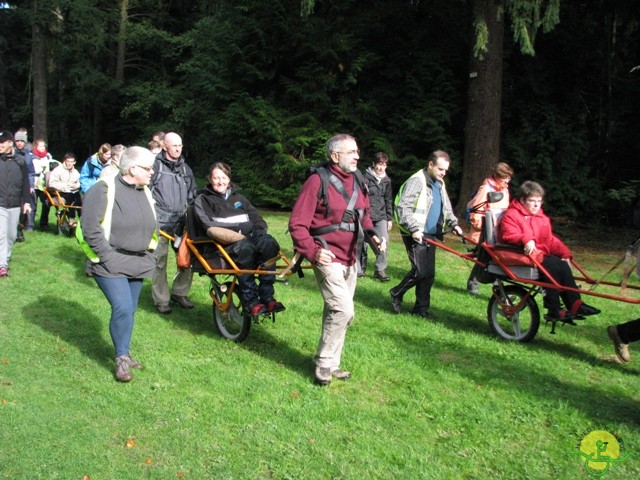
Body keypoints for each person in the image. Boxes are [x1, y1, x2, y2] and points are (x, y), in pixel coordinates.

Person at [289, 133, 384, 386]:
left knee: (338, 310)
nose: (357, 156)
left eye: (357, 151)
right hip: (326, 255)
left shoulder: (359, 178)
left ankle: (333, 364)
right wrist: (313, 252)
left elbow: (363, 216)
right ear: (334, 156)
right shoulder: (316, 182)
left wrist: (373, 235)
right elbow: (297, 225)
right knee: (344, 309)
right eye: (351, 152)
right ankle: (323, 363)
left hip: (352, 257)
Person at [79, 146, 159, 382]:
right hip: (111, 261)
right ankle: (121, 358)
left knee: (130, 310)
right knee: (123, 307)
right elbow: (89, 228)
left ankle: (124, 349)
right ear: (132, 168)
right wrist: (107, 256)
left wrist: (150, 255)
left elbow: (154, 225)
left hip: (138, 261)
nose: (152, 172)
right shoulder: (103, 188)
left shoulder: (144, 190)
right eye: (148, 168)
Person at [499, 180, 601, 320]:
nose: (536, 205)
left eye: (539, 201)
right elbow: (508, 235)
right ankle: (553, 309)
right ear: (522, 200)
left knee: (562, 264)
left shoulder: (541, 218)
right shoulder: (512, 215)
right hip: (521, 253)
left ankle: (575, 304)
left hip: (540, 255)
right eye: (532, 201)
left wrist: (564, 252)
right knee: (552, 266)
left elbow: (549, 239)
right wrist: (526, 238)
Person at [194, 162, 285, 315]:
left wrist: (257, 232)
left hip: (248, 238)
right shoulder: (203, 200)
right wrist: (240, 232)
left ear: (229, 180)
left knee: (268, 243)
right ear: (210, 179)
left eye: (223, 178)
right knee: (245, 248)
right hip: (222, 245)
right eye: (216, 178)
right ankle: (250, 301)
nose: (220, 182)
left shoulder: (240, 198)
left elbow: (258, 220)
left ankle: (267, 296)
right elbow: (208, 226)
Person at [390, 150, 463, 318]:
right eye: (440, 169)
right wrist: (414, 229)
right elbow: (402, 207)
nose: (443, 173)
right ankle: (396, 293)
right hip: (415, 233)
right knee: (419, 271)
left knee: (429, 274)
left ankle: (421, 309)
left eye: (445, 170)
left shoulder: (439, 183)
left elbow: (446, 207)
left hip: (430, 233)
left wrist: (454, 224)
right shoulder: (417, 181)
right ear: (430, 164)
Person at [150, 132, 197, 314]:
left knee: (188, 257)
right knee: (159, 260)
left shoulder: (186, 169)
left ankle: (180, 292)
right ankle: (161, 300)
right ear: (164, 146)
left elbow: (193, 196)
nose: (177, 149)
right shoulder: (155, 166)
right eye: (174, 145)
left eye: (180, 145)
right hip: (159, 221)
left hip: (180, 221)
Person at [465, 162, 513, 295]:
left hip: (497, 230)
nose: (507, 181)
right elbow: (476, 210)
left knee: (493, 258)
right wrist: (480, 226)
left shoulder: (504, 190)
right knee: (484, 258)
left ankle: (498, 288)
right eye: (505, 178)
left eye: (508, 178)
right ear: (497, 176)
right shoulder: (486, 189)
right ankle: (474, 284)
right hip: (484, 231)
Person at [0, 130, 31, 278]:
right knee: (1, 234)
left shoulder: (20, 161)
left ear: (10, 143)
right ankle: (2, 265)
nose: (0, 145)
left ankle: (5, 258)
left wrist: (26, 202)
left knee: (11, 235)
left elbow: (26, 183)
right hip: (0, 203)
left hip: (15, 204)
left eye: (2, 143)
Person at [358, 152, 393, 281]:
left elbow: (388, 200)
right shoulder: (364, 178)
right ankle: (359, 269)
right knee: (361, 241)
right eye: (379, 164)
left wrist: (389, 218)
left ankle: (380, 270)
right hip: (365, 215)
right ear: (373, 164)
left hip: (381, 215)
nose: (381, 168)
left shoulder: (387, 181)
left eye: (384, 165)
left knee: (385, 240)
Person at [48, 153, 82, 227]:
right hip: (59, 192)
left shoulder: (76, 172)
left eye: (71, 161)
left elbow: (80, 182)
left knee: (79, 198)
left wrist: (77, 186)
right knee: (72, 196)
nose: (69, 163)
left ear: (74, 162)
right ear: (65, 161)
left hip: (73, 192)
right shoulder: (58, 170)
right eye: (68, 161)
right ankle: (71, 218)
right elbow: (52, 183)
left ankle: (82, 218)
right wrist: (65, 186)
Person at [13, 129, 35, 235]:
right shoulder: (11, 154)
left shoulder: (28, 156)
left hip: (25, 184)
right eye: (17, 141)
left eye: (21, 141)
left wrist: (31, 185)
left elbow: (31, 172)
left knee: (28, 205)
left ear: (25, 143)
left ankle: (28, 225)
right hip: (13, 184)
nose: (19, 143)